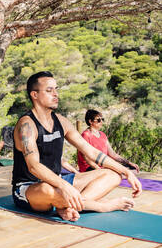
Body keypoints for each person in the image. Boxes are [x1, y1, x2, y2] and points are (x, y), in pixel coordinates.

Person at [12, 71, 142, 222]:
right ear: (34, 95)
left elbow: (91, 152)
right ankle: (98, 206)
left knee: (113, 175)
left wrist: (126, 172)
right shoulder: (27, 125)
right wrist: (65, 187)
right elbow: (33, 166)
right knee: (46, 189)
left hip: (58, 181)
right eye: (49, 90)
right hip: (30, 188)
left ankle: (70, 206)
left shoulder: (61, 121)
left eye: (56, 89)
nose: (55, 94)